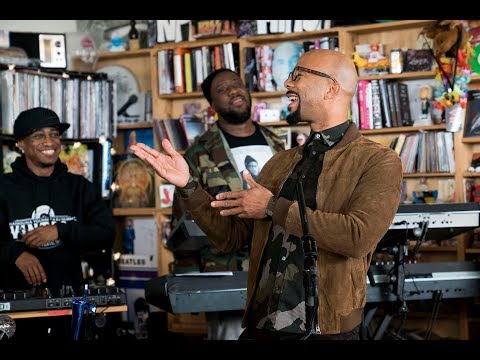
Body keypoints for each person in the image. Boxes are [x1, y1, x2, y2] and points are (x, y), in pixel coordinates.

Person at [131, 49, 403, 340]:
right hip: (261, 326)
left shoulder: (378, 161)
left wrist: (273, 207)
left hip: (326, 330)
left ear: (331, 88)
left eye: (297, 76)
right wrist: (187, 184)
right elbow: (232, 237)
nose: (287, 83)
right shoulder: (279, 162)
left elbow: (357, 237)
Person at [170, 68, 285, 340]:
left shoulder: (278, 143)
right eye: (223, 90)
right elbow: (184, 222)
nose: (234, 91)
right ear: (212, 107)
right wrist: (189, 284)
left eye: (237, 84)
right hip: (225, 272)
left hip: (279, 268)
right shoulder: (198, 152)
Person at [0, 107, 116, 342]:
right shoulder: (4, 188)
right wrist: (16, 254)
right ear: (20, 144)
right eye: (38, 136)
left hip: (69, 304)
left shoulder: (79, 187)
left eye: (54, 134)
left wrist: (61, 230)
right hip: (13, 310)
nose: (49, 141)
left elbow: (106, 234)